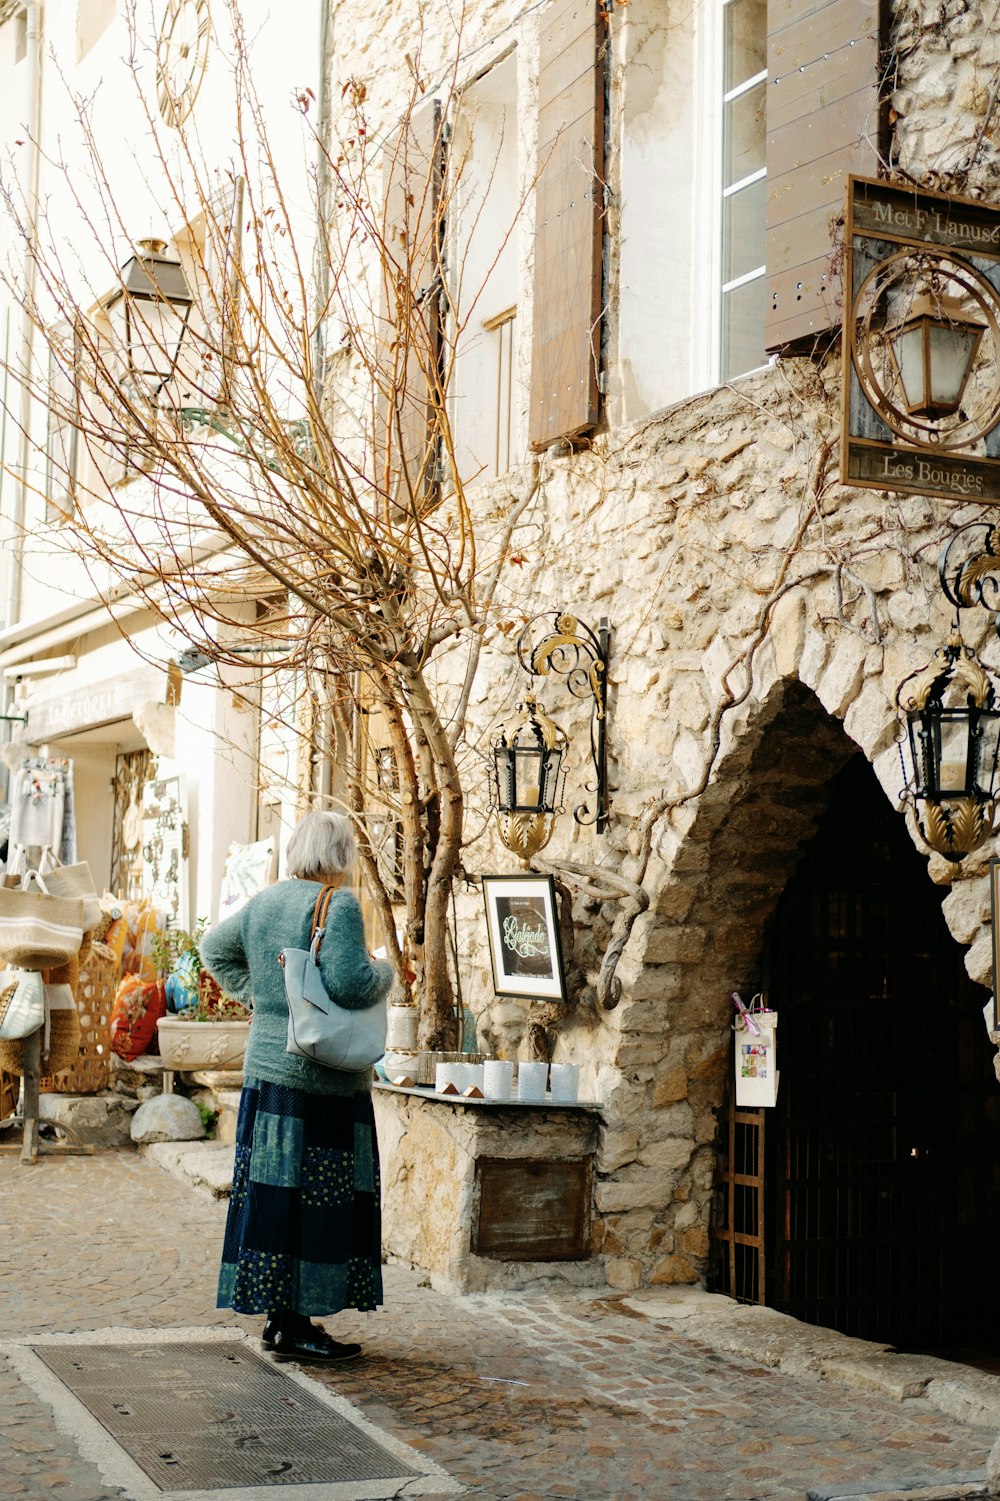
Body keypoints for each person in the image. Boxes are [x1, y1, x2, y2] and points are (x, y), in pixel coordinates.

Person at [201, 809, 394, 1364]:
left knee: (275, 1199)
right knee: (319, 1204)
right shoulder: (340, 905)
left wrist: (259, 998)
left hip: (267, 1078)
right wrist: (387, 972)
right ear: (341, 856)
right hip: (321, 1084)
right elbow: (353, 984)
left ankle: (280, 1319)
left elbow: (213, 949)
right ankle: (298, 1325)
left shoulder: (264, 901)